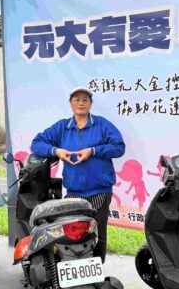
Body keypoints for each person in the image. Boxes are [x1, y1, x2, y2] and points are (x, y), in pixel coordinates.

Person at [31, 87, 125, 262]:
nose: (81, 103)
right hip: (74, 192)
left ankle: (97, 267)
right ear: (70, 103)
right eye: (76, 99)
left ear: (90, 103)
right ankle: (75, 267)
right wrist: (56, 151)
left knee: (97, 233)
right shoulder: (62, 127)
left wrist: (93, 151)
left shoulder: (102, 124)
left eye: (85, 100)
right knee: (73, 234)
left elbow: (119, 147)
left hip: (99, 191)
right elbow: (37, 143)